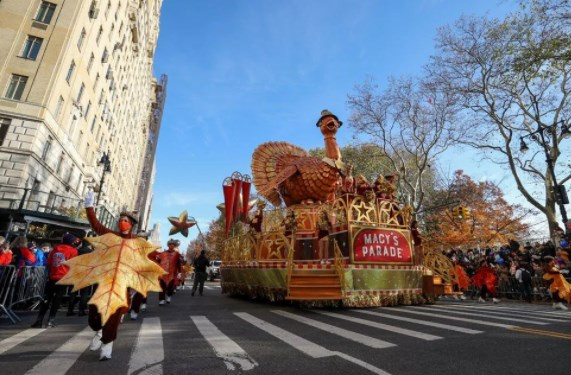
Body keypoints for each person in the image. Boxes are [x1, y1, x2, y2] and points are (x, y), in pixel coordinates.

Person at [84, 189, 140, 360]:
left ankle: (107, 346)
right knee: (94, 313)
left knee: (114, 316)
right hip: (105, 281)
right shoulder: (111, 236)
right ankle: (99, 331)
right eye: (120, 220)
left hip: (122, 284)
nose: (122, 222)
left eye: (125, 220)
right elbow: (96, 225)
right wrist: (89, 207)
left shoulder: (136, 242)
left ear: (131, 224)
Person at [31, 233, 78, 328]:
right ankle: (50, 320)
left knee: (47, 298)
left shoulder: (55, 249)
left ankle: (39, 320)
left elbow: (48, 262)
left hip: (52, 276)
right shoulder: (73, 251)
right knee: (57, 299)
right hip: (64, 277)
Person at [67, 238, 94, 316]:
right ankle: (81, 310)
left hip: (75, 272)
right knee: (84, 293)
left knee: (73, 292)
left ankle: (70, 310)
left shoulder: (76, 251)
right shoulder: (91, 252)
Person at [155, 239, 183, 307]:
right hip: (163, 273)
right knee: (162, 287)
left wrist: (179, 272)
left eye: (173, 244)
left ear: (174, 246)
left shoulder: (177, 254)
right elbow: (158, 261)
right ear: (168, 245)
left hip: (172, 273)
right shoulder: (163, 253)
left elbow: (179, 264)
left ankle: (169, 296)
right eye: (170, 244)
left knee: (170, 287)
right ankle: (161, 300)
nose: (171, 246)